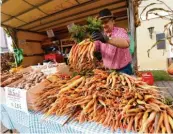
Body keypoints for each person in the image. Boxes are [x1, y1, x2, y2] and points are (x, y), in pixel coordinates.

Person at [91, 8, 133, 75]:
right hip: (109, 71)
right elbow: (95, 49)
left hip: (124, 69)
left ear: (113, 21)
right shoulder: (100, 36)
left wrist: (107, 39)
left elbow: (126, 43)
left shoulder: (120, 31)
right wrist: (90, 42)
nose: (104, 25)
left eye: (106, 22)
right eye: (101, 23)